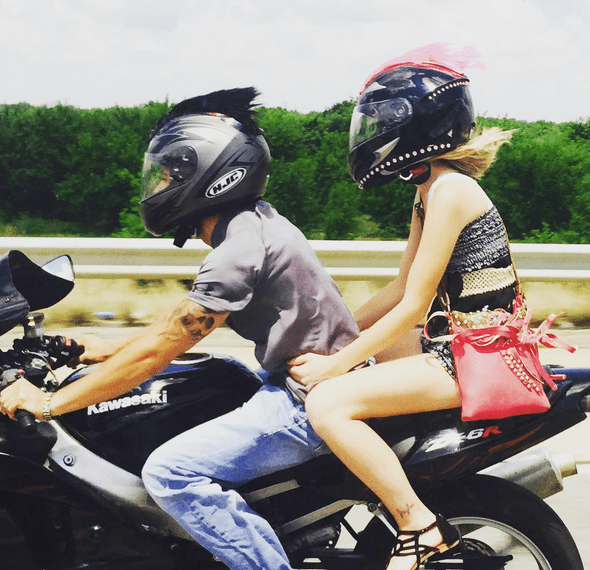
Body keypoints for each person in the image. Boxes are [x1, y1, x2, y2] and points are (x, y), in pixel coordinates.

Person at [0, 87, 360, 570]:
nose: (159, 184)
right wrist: (107, 348)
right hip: (304, 382)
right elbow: (177, 326)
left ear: (212, 174)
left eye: (171, 173)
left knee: (171, 472)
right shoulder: (250, 224)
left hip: (307, 399)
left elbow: (160, 351)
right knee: (214, 373)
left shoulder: (236, 252)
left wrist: (48, 404)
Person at [288, 52, 517, 570]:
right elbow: (398, 289)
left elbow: (416, 303)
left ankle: (418, 522)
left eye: (383, 120)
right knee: (353, 358)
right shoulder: (428, 188)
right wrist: (331, 335)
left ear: (420, 123)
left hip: (479, 358)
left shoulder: (453, 190)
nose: (371, 133)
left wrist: (332, 366)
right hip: (458, 345)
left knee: (326, 404)